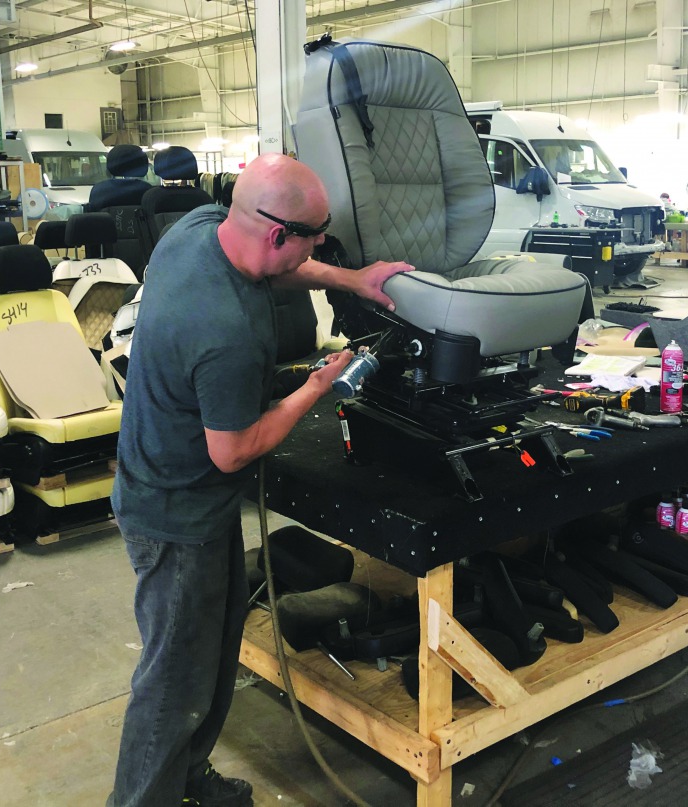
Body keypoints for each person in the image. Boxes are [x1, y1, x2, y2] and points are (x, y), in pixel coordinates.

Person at [107, 153, 412, 807]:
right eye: (317, 235)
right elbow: (234, 449)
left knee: (212, 657)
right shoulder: (223, 331)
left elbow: (287, 265)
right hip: (176, 509)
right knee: (174, 680)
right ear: (280, 233)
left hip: (179, 488)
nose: (320, 246)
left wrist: (355, 280)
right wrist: (316, 387)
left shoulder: (197, 228)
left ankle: (188, 779)